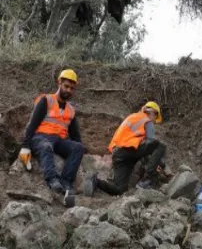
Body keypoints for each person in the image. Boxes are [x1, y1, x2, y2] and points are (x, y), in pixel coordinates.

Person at [19, 69, 84, 207]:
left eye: (72, 88)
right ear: (59, 83)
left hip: (59, 140)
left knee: (78, 147)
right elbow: (32, 124)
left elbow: (75, 135)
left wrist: (79, 154)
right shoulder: (46, 100)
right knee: (46, 146)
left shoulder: (71, 110)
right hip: (40, 137)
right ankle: (52, 179)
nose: (69, 90)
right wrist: (25, 146)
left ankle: (66, 183)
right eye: (66, 86)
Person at [83, 102, 166, 196]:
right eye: (156, 118)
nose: (154, 122)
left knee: (120, 189)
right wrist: (158, 163)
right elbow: (151, 142)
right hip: (128, 149)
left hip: (118, 153)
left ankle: (95, 181)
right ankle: (149, 178)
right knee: (160, 146)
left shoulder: (133, 117)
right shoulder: (147, 120)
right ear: (153, 113)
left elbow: (144, 148)